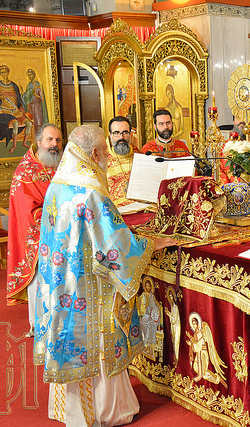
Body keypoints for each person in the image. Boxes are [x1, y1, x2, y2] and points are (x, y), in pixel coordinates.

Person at [33, 124, 172, 426]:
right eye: (106, 153)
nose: (108, 159)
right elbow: (115, 247)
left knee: (68, 336)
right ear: (95, 153)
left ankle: (67, 409)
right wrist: (151, 244)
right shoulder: (92, 192)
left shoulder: (57, 184)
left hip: (60, 283)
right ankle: (104, 410)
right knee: (95, 340)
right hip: (89, 289)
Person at [6, 124, 63, 336]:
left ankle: (59, 322)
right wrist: (57, 219)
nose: (54, 144)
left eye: (58, 140)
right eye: (49, 140)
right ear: (39, 142)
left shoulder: (60, 164)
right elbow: (26, 210)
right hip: (38, 236)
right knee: (38, 279)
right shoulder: (25, 172)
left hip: (62, 232)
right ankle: (37, 324)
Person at [0, 64, 33, 153]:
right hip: (5, 111)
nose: (4, 74)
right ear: (0, 74)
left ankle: (24, 143)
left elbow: (18, 100)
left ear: (8, 72)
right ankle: (14, 145)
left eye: (5, 72)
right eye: (2, 73)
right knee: (15, 124)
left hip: (15, 111)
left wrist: (22, 111)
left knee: (29, 124)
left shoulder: (13, 85)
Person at [107, 115, 141, 207]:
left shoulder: (140, 156)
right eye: (116, 133)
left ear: (130, 134)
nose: (121, 137)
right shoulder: (102, 159)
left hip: (139, 208)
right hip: (114, 210)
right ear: (110, 135)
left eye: (125, 132)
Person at [21, 68, 48, 135]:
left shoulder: (38, 85)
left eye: (31, 75)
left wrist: (36, 96)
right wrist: (23, 94)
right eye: (28, 75)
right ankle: (33, 137)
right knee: (33, 123)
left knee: (39, 122)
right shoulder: (29, 86)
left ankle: (40, 136)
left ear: (34, 75)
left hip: (37, 106)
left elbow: (42, 98)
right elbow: (27, 97)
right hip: (31, 106)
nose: (30, 76)